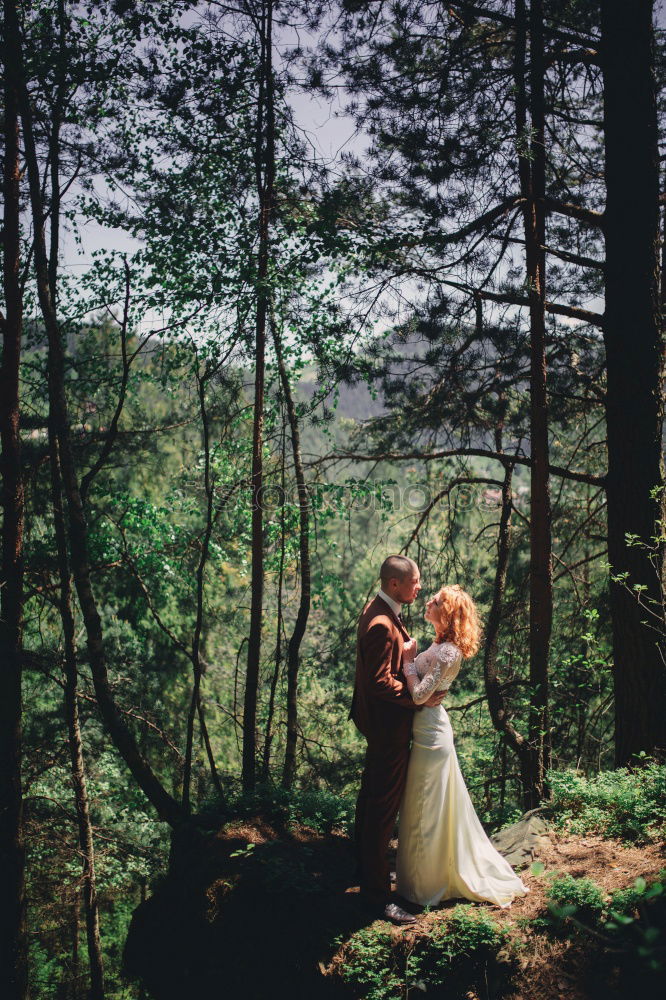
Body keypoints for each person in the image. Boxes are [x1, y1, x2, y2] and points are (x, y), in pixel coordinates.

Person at [396, 584, 529, 909]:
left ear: (449, 613)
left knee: (427, 805)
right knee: (421, 803)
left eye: (437, 600)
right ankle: (419, 877)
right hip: (427, 727)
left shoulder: (449, 651)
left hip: (432, 734)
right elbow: (426, 695)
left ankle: (425, 884)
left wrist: (408, 661)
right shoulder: (441, 644)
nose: (428, 601)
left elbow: (419, 695)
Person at [350, 555, 445, 925]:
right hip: (388, 728)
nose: (419, 587)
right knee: (381, 811)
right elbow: (378, 682)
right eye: (415, 581)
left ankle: (366, 873)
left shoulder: (382, 609)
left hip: (385, 726)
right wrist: (417, 697)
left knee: (372, 802)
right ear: (395, 584)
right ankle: (377, 898)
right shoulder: (380, 623)